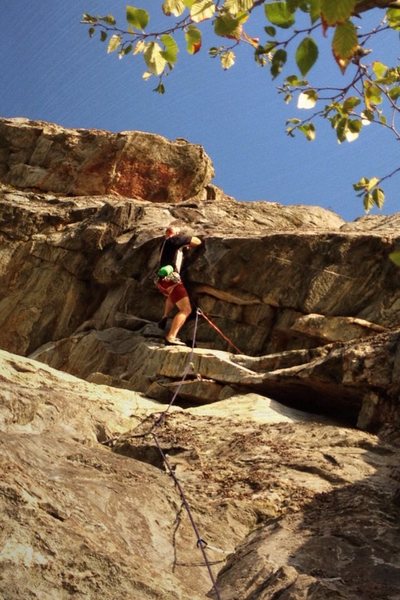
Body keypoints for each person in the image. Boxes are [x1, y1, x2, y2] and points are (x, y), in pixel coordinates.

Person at [157, 226, 201, 346]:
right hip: (172, 279)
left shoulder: (164, 244)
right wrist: (186, 241)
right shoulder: (175, 240)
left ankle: (165, 316)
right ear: (175, 233)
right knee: (186, 309)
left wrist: (183, 248)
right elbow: (197, 241)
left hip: (162, 280)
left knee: (172, 297)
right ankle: (171, 337)